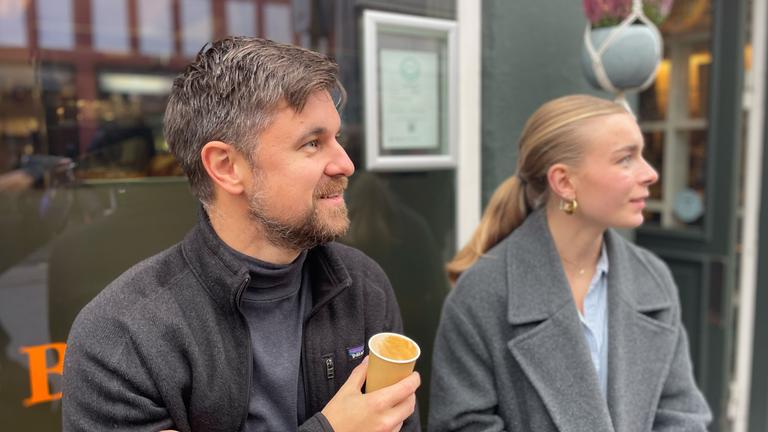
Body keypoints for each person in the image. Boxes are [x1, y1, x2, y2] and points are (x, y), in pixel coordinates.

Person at [62, 37, 420, 432]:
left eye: (338, 139)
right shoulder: (123, 338)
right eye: (313, 143)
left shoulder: (362, 290)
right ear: (227, 167)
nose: (346, 164)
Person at [428, 95, 711, 431]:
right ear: (564, 182)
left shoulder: (653, 280)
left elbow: (682, 413)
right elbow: (462, 425)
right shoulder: (482, 295)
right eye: (625, 159)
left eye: (642, 155)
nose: (650, 174)